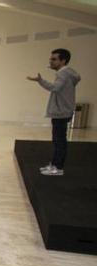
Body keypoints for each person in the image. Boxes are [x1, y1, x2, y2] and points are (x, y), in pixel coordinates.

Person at [28, 48, 81, 176]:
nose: (50, 61)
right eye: (50, 59)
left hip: (61, 111)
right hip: (63, 110)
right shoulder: (67, 73)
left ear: (63, 61)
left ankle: (57, 167)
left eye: (54, 59)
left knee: (59, 141)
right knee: (58, 140)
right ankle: (55, 164)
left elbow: (55, 88)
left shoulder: (63, 73)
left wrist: (40, 81)